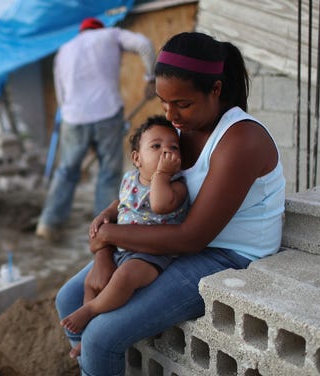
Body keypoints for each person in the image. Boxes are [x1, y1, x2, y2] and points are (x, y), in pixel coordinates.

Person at [55, 31, 286, 375]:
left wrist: (112, 237)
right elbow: (141, 188)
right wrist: (104, 248)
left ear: (216, 90)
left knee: (103, 338)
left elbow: (193, 238)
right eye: (164, 103)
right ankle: (90, 362)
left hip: (225, 254)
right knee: (69, 298)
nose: (171, 114)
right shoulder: (181, 130)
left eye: (182, 103)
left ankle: (95, 358)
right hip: (171, 236)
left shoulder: (240, 140)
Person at [60, 115, 189, 359]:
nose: (166, 152)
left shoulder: (176, 186)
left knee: (124, 278)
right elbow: (122, 201)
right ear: (137, 158)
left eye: (173, 147)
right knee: (91, 283)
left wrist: (161, 174)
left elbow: (160, 205)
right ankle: (87, 337)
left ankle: (91, 310)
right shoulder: (130, 179)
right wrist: (108, 213)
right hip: (123, 249)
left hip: (152, 255)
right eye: (156, 146)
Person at [35, 17, 157, 241]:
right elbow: (144, 44)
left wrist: (71, 114)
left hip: (73, 117)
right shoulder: (112, 35)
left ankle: (48, 224)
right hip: (107, 114)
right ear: (100, 28)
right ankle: (103, 230)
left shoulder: (65, 49)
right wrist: (151, 78)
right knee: (109, 174)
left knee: (66, 171)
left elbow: (60, 91)